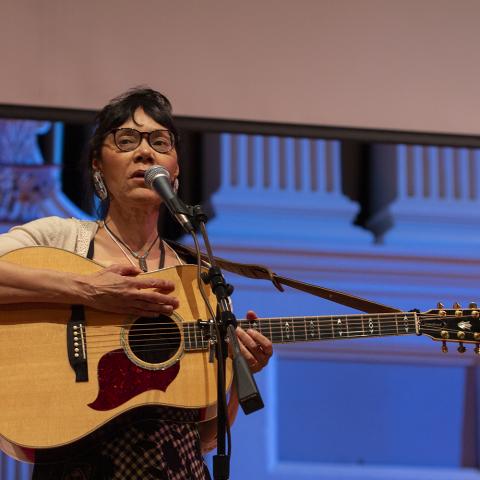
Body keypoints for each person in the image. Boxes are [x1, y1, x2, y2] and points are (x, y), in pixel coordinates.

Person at [0, 87, 273, 479]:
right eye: (126, 140)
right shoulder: (60, 238)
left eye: (160, 142)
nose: (145, 153)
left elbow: (206, 438)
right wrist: (88, 290)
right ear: (98, 164)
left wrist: (238, 374)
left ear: (175, 170)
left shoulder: (197, 276)